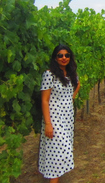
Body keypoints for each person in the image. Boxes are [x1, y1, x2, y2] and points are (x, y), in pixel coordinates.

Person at [39, 44, 81, 183]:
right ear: (55, 58)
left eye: (67, 55)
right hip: (54, 117)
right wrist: (48, 124)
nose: (64, 58)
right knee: (59, 149)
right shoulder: (49, 74)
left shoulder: (71, 74)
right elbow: (44, 101)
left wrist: (71, 98)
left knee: (62, 150)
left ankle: (56, 177)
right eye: (60, 55)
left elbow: (78, 84)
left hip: (67, 117)